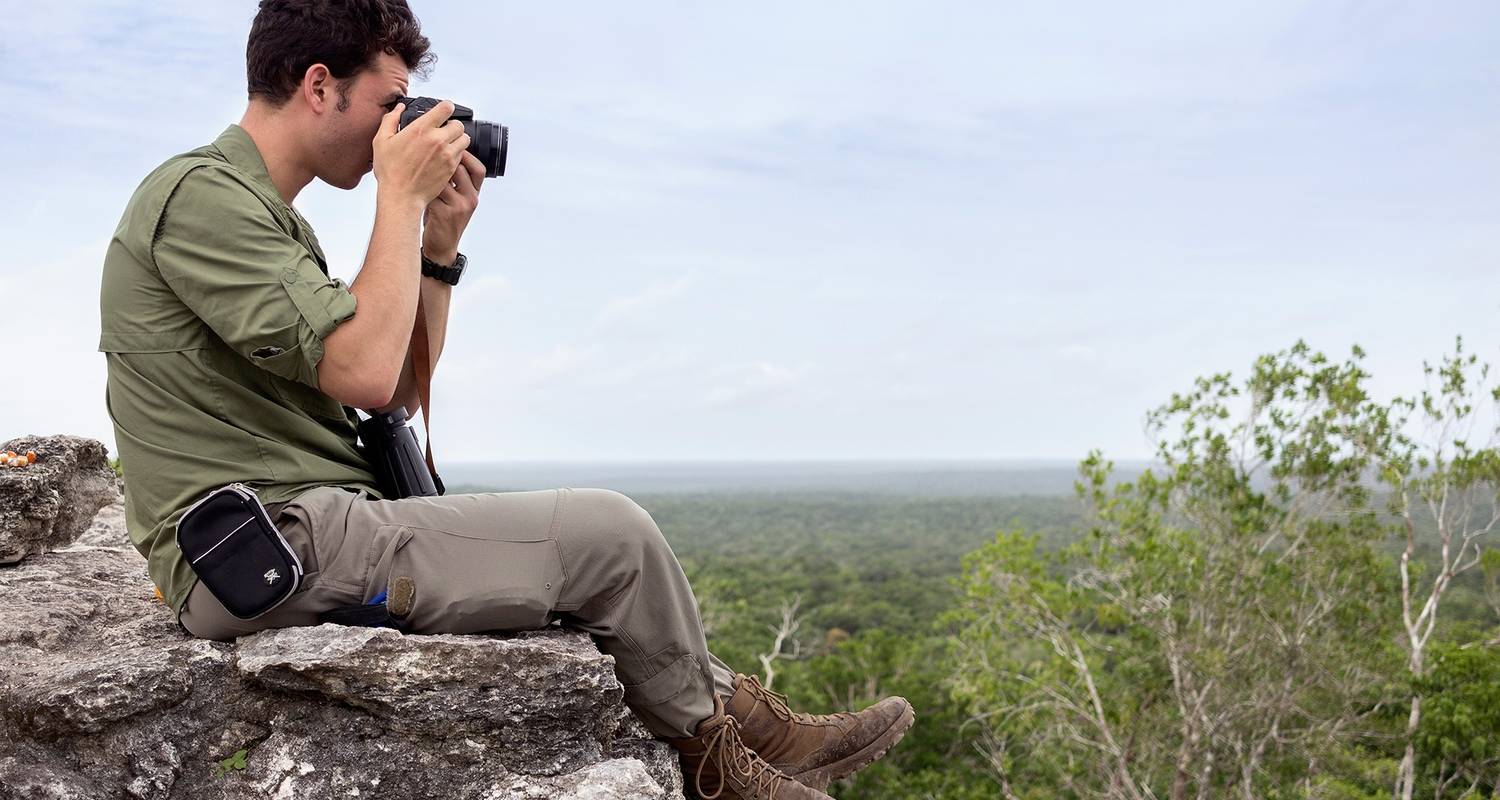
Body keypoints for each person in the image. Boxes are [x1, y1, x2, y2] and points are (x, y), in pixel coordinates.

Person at [96, 1, 913, 797]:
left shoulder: (270, 220)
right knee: (613, 535)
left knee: (582, 564)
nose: (405, 132)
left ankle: (758, 729)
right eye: (392, 107)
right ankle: (723, 773)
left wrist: (438, 249)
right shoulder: (200, 199)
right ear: (318, 85)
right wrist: (399, 200)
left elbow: (399, 392)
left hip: (310, 526)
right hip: (263, 548)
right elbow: (364, 371)